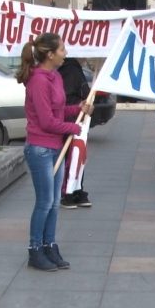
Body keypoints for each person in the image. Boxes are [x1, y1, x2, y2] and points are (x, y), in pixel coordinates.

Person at [17, 32, 92, 272]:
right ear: (50, 54)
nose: (65, 53)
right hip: (39, 148)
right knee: (45, 201)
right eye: (62, 49)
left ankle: (49, 245)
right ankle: (35, 249)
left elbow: (58, 111)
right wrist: (74, 128)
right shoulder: (38, 81)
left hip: (56, 146)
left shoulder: (56, 76)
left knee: (54, 203)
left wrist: (78, 108)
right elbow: (47, 121)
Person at [58, 57, 92, 209]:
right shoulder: (70, 70)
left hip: (77, 118)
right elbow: (68, 97)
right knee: (72, 157)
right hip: (72, 120)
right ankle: (68, 192)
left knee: (78, 157)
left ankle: (76, 189)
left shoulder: (74, 69)